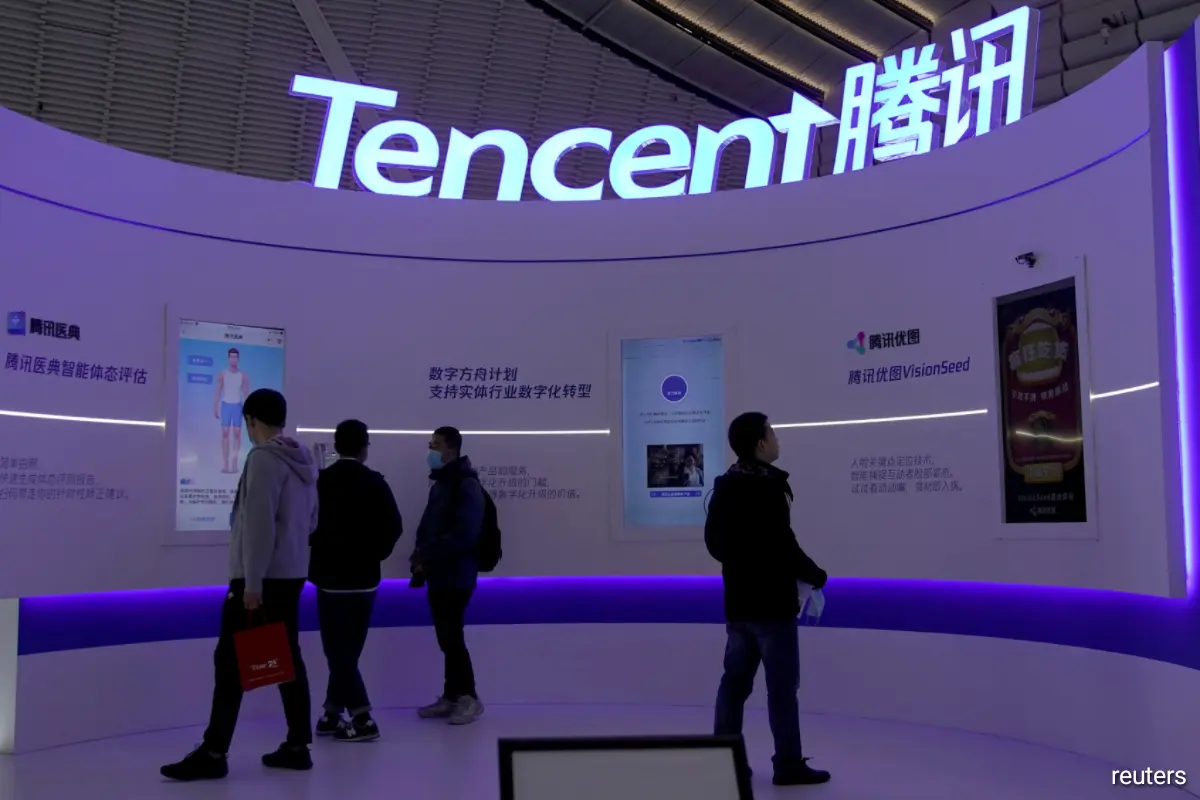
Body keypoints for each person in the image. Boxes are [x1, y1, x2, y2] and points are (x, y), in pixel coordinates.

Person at [162, 388, 318, 781]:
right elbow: (312, 521)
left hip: (260, 579)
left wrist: (252, 583)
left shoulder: (263, 459)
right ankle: (298, 745)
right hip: (292, 575)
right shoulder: (302, 460)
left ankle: (213, 752)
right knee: (287, 658)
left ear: (250, 420)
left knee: (229, 663)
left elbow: (258, 525)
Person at [704, 412, 831, 787]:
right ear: (760, 444)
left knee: (733, 685)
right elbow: (783, 545)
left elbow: (715, 545)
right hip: (773, 607)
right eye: (772, 433)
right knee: (782, 690)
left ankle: (723, 761)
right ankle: (787, 764)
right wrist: (816, 575)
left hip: (739, 605)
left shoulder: (725, 486)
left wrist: (743, 562)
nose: (777, 438)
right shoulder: (768, 487)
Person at [309, 419, 403, 742]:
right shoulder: (375, 482)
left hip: (330, 580)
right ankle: (332, 711)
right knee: (347, 652)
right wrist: (374, 554)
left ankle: (362, 718)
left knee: (338, 653)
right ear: (364, 448)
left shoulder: (321, 482)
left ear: (336, 446)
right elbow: (394, 526)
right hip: (365, 581)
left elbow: (307, 525)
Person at [411, 426, 486, 726]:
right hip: (438, 574)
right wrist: (419, 557)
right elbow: (429, 526)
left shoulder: (466, 485)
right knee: (446, 638)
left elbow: (464, 534)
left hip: (457, 575)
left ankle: (469, 697)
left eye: (436, 445)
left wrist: (429, 553)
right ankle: (452, 695)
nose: (431, 451)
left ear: (451, 450)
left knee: (452, 638)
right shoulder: (441, 484)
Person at [213, 348, 250, 474]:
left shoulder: (242, 376)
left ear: (238, 359)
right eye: (231, 357)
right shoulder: (223, 374)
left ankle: (234, 464)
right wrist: (215, 406)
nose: (233, 359)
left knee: (237, 434)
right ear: (228, 358)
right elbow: (218, 391)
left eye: (235, 357)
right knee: (225, 434)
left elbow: (246, 393)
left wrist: (249, 409)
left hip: (237, 406)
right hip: (226, 405)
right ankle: (225, 464)